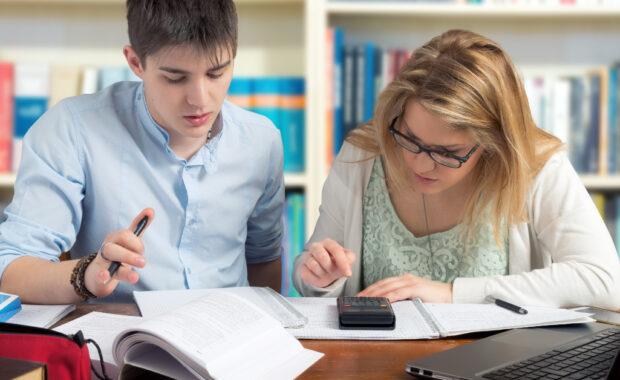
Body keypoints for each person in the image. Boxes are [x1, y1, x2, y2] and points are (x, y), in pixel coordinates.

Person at [293, 29, 620, 310]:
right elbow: (312, 276)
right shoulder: (362, 155)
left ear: (495, 144)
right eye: (409, 138)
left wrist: (452, 294)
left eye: (447, 152)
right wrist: (320, 276)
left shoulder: (535, 165)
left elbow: (605, 280)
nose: (421, 163)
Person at [0, 0, 284, 304]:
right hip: (121, 343)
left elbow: (263, 259)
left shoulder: (261, 141)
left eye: (216, 73)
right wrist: (86, 275)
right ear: (136, 63)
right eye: (175, 78)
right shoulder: (72, 129)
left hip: (230, 337)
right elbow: (11, 269)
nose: (200, 100)